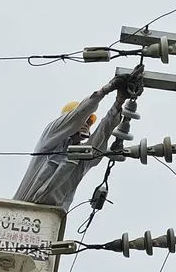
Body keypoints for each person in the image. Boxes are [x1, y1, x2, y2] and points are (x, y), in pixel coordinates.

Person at [13, 66, 144, 211]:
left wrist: (118, 102)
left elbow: (102, 134)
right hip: (18, 212)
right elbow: (78, 115)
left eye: (89, 122)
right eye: (84, 120)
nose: (86, 124)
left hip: (50, 223)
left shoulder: (83, 159)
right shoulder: (49, 140)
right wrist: (107, 89)